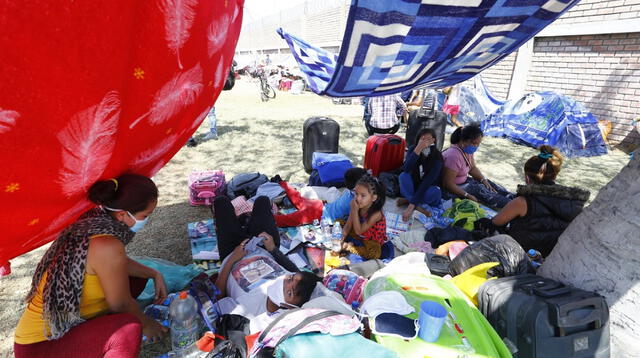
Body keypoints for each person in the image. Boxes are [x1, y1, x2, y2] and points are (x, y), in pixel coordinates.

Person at [14, 174, 168, 358]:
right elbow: (120, 304)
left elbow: (114, 265)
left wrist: (154, 274)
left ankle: (96, 332)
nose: (147, 220)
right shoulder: (107, 245)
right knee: (129, 328)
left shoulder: (93, 221)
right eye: (145, 215)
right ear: (122, 214)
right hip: (42, 347)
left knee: (135, 280)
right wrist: (147, 324)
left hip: (60, 325)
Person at [212, 196, 320, 332]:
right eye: (291, 278)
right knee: (262, 201)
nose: (285, 282)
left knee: (221, 202)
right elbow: (294, 270)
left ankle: (244, 222)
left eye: (289, 293)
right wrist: (273, 249)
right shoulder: (292, 278)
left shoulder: (250, 311)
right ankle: (246, 222)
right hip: (262, 245)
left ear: (292, 308)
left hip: (232, 252)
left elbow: (217, 298)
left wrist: (232, 258)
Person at [481, 146, 590, 257]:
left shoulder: (523, 201)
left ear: (527, 178)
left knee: (486, 224)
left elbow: (496, 222)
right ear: (555, 175)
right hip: (553, 254)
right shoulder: (573, 202)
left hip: (521, 252)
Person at [442, 125, 514, 208]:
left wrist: (483, 180)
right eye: (474, 143)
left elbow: (472, 168)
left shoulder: (466, 150)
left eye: (478, 144)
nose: (475, 146)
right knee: (486, 193)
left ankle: (515, 198)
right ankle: (514, 205)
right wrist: (467, 195)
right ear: (463, 140)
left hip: (464, 182)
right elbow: (447, 183)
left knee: (490, 185)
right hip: (452, 189)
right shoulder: (453, 155)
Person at [273, 168, 367, 227]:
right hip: (318, 214)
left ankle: (282, 183)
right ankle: (267, 218)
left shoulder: (349, 190)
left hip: (320, 205)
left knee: (298, 199)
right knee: (287, 220)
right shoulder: (355, 202)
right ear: (356, 188)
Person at [398, 128, 444, 221]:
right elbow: (406, 169)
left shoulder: (437, 157)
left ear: (433, 141)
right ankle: (417, 206)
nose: (425, 142)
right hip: (414, 186)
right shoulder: (413, 149)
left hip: (427, 188)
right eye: (422, 139)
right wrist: (418, 150)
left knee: (435, 192)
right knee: (403, 176)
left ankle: (409, 201)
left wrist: (410, 207)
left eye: (428, 139)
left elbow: (428, 181)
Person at [341, 175, 387, 260]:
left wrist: (354, 210)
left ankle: (350, 247)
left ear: (373, 198)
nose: (358, 198)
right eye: (356, 194)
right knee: (339, 223)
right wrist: (340, 239)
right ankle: (348, 244)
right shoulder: (357, 204)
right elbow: (347, 226)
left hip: (370, 241)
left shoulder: (376, 214)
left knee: (374, 253)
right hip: (358, 233)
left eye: (363, 195)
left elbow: (359, 231)